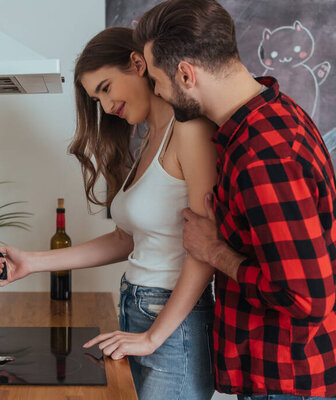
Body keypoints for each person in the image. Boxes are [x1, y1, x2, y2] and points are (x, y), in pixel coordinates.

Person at [0, 27, 218, 400]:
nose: (105, 105)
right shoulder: (148, 138)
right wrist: (32, 261)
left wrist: (152, 337)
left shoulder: (189, 131)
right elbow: (124, 239)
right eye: (95, 98)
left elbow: (205, 250)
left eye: (105, 88)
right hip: (137, 307)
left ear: (137, 64)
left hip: (175, 324)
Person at [134, 1, 336, 399]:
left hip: (285, 381)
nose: (155, 91)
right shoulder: (273, 113)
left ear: (186, 74)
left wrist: (214, 251)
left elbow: (307, 298)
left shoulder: (263, 153)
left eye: (156, 80)